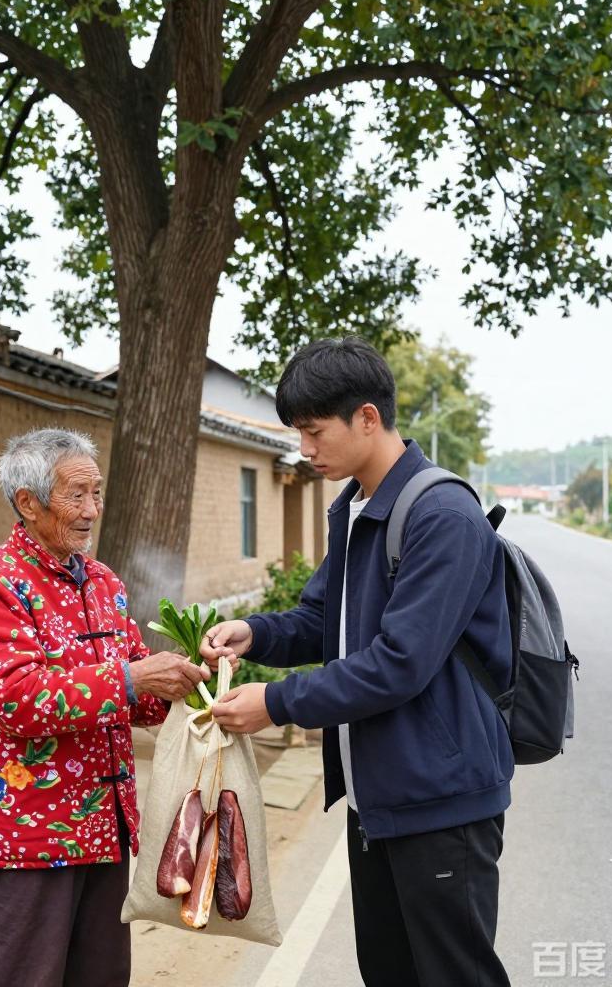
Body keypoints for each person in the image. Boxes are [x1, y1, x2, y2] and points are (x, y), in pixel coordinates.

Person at [204, 337, 514, 987]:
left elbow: (400, 662)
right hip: (379, 797)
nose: (306, 448)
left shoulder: (443, 516)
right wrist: (251, 635)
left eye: (314, 432)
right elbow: (324, 621)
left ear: (367, 418)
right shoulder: (358, 507)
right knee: (391, 973)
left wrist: (274, 704)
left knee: (453, 975)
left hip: (442, 800)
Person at [0, 428, 207, 987]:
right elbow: (17, 699)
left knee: (101, 976)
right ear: (28, 503)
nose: (92, 510)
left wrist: (187, 683)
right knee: (21, 977)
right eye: (76, 495)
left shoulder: (102, 582)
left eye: (97, 493)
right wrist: (134, 679)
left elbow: (135, 690)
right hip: (27, 835)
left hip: (101, 828)